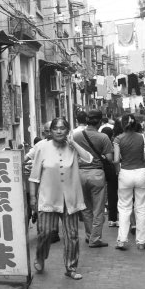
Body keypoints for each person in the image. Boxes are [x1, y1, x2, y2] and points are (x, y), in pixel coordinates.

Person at [29, 117, 94, 280]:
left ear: (67, 131)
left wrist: (74, 143)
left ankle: (70, 267)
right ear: (50, 132)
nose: (59, 131)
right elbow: (34, 176)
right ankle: (40, 256)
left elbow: (88, 158)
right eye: (55, 128)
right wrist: (32, 197)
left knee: (72, 235)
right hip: (48, 197)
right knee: (44, 233)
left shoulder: (72, 147)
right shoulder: (42, 147)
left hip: (69, 199)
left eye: (62, 128)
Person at [73, 109, 113, 248]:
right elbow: (110, 158)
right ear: (100, 122)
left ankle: (89, 235)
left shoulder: (76, 135)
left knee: (86, 208)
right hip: (96, 174)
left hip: (80, 174)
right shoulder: (103, 138)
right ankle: (95, 239)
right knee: (98, 209)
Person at [113, 114, 145, 250]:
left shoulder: (118, 139)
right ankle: (142, 242)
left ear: (123, 124)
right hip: (141, 172)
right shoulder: (142, 136)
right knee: (142, 207)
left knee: (124, 207)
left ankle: (122, 240)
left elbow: (116, 159)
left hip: (125, 173)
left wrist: (118, 171)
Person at [105, 119, 124, 227]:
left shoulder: (112, 139)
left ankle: (112, 219)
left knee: (112, 193)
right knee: (125, 194)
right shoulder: (125, 138)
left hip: (112, 168)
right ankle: (124, 218)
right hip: (124, 167)